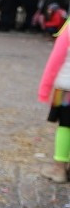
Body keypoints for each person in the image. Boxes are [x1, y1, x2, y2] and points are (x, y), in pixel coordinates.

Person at [38, 22, 70, 182]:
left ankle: (59, 167)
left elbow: (56, 60)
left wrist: (44, 89)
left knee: (65, 127)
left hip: (66, 89)